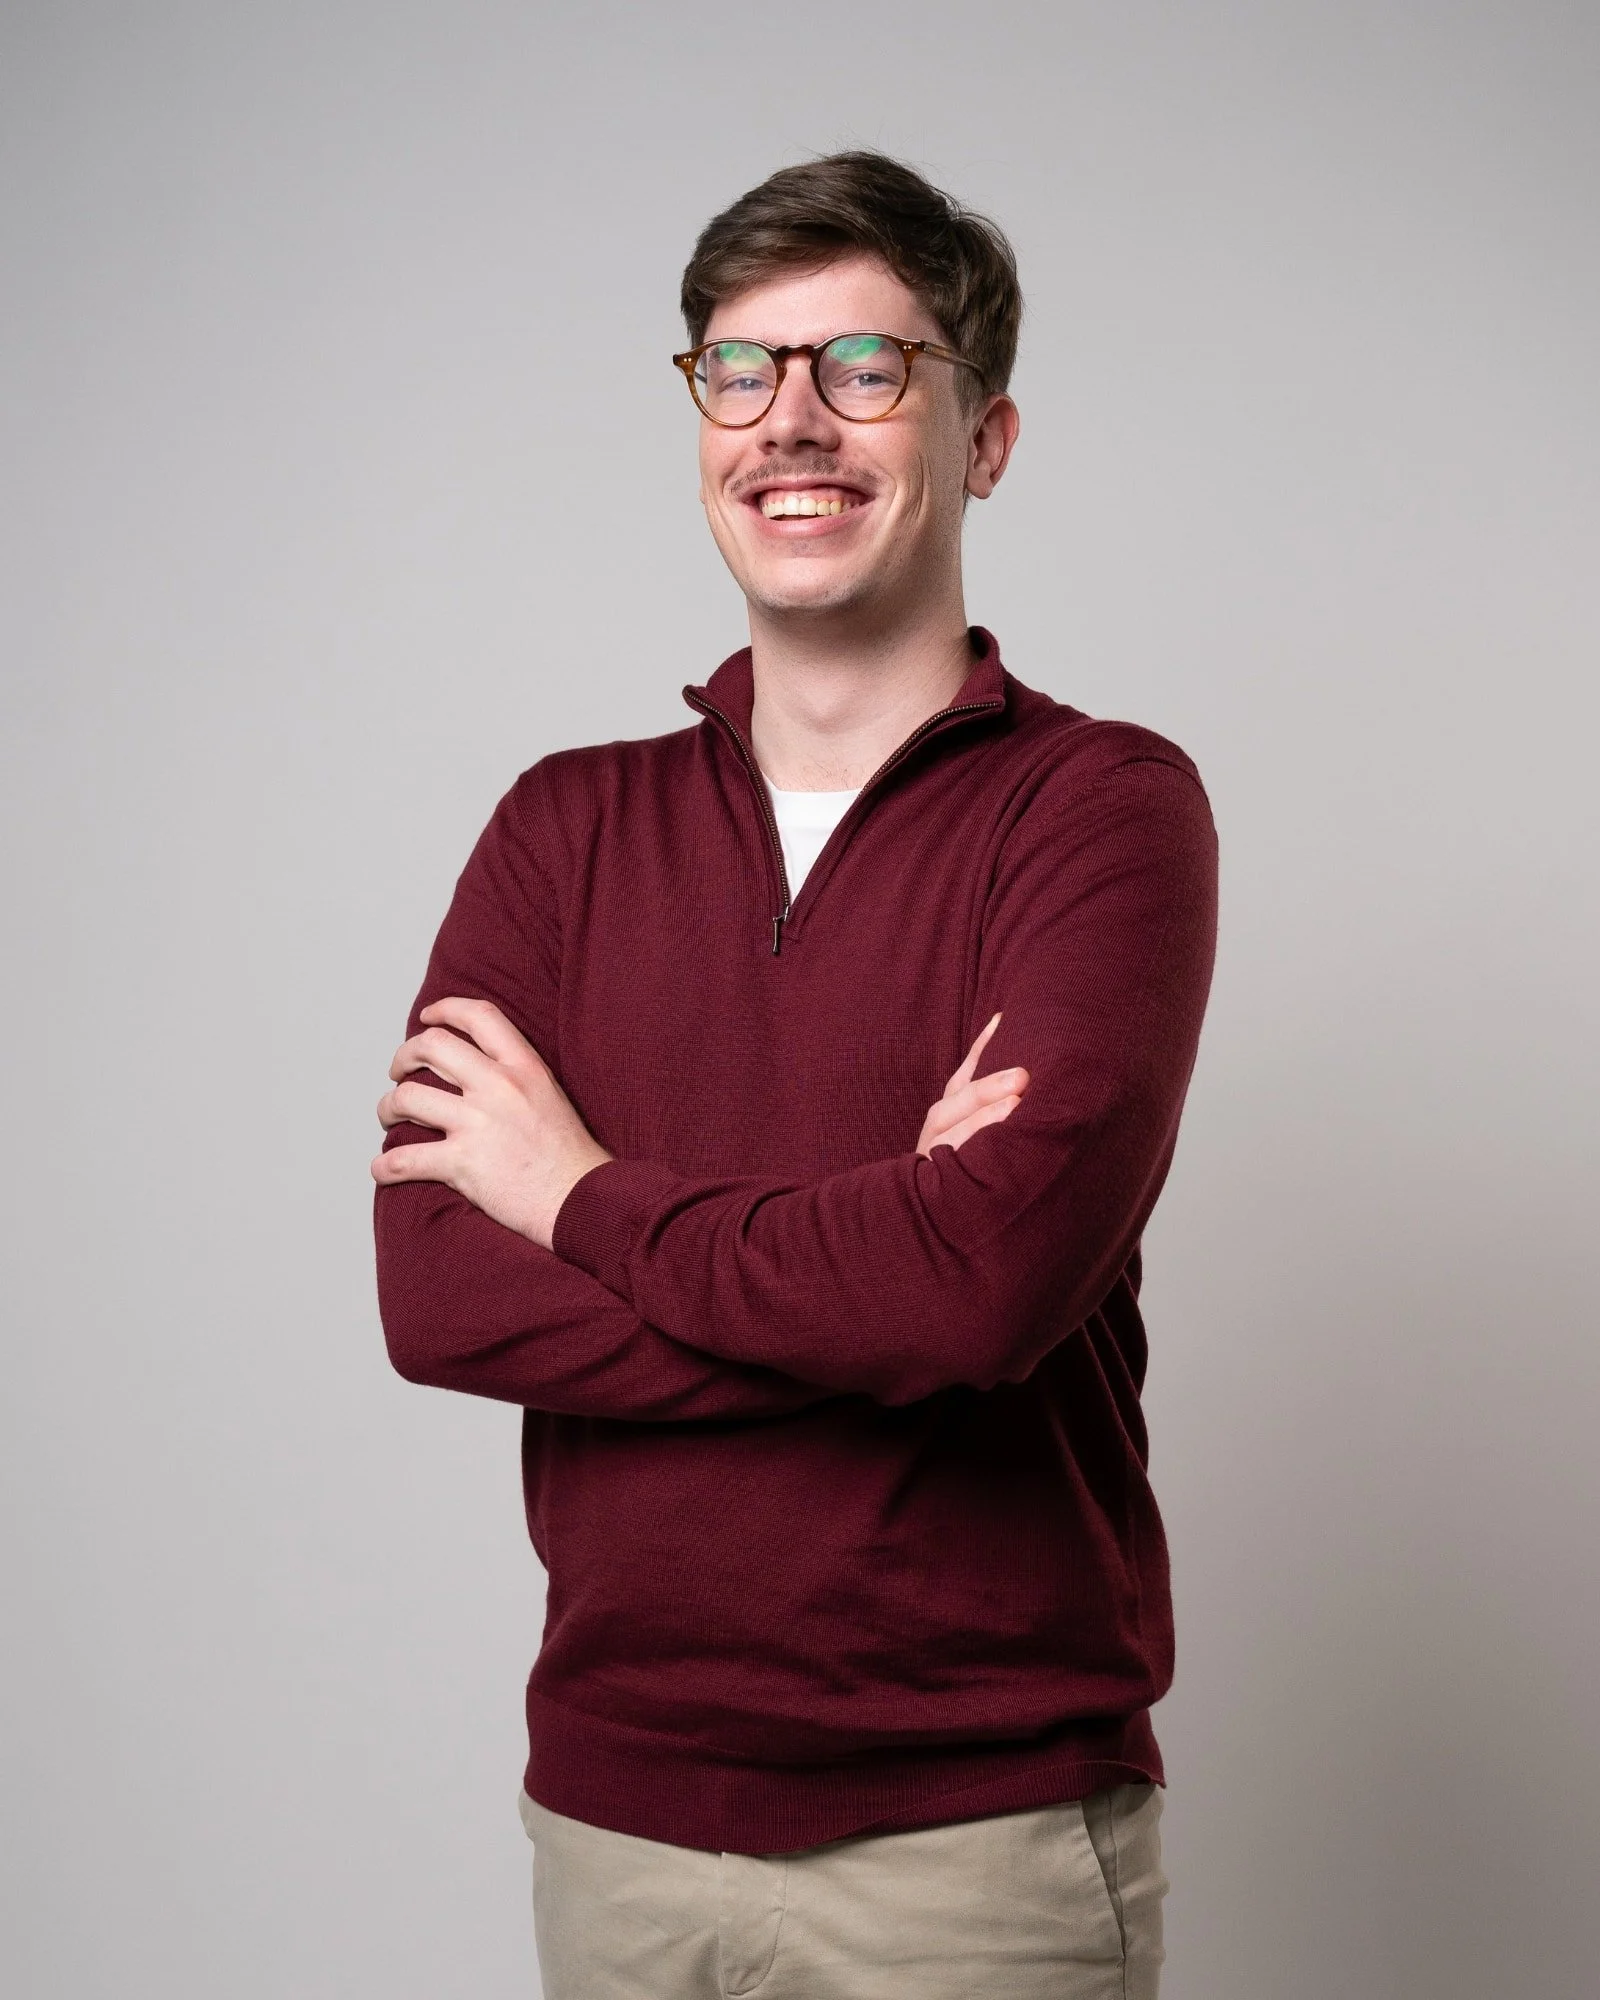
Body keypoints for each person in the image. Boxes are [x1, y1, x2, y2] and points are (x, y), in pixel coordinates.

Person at [371, 151, 1218, 2000]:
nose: (788, 424)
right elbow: (437, 1297)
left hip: (973, 1849)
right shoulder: (557, 831)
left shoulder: (1101, 814)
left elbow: (979, 1290)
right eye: (738, 372)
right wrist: (873, 1265)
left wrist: (578, 1197)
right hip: (618, 1834)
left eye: (864, 368)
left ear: (983, 436)